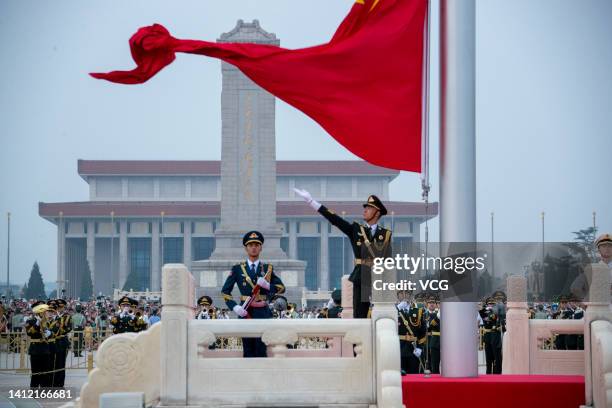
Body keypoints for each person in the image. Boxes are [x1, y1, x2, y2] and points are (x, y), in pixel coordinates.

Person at [294, 188, 392, 318]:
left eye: (369, 208)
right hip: (361, 277)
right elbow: (335, 219)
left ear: (377, 212)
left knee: (382, 315)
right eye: (365, 207)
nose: (365, 210)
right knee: (360, 316)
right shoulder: (356, 230)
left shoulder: (385, 234)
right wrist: (311, 201)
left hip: (377, 278)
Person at [221, 231, 285, 358]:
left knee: (262, 350)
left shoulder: (267, 269)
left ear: (261, 248)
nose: (254, 247)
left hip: (263, 312)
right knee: (248, 350)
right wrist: (235, 307)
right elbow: (225, 292)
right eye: (251, 245)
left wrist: (268, 286)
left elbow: (281, 288)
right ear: (246, 248)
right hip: (246, 311)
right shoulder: (237, 269)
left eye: (257, 245)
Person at [25, 301, 52, 388]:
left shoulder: (46, 321)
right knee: (35, 372)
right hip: (35, 349)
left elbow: (50, 333)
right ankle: (34, 390)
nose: (44, 312)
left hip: (45, 349)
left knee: (46, 372)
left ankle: (45, 390)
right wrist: (37, 324)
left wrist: (49, 333)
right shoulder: (30, 321)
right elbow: (29, 332)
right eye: (42, 310)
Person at [397, 300, 426, 374]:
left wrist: (420, 347)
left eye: (408, 293)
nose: (405, 296)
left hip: (413, 349)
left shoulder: (418, 310)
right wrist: (396, 309)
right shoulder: (394, 310)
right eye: (402, 293)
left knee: (413, 376)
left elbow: (422, 331)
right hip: (399, 348)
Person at [48, 298, 72, 388]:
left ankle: (60, 384)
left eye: (61, 307)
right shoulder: (52, 316)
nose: (59, 309)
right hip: (52, 342)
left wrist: (59, 331)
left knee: (61, 364)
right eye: (58, 307)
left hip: (61, 341)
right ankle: (51, 383)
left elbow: (69, 328)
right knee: (51, 364)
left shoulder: (67, 316)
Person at [425, 295, 440, 374]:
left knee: (436, 363)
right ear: (427, 304)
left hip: (437, 339)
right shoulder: (424, 314)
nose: (431, 304)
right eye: (430, 303)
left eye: (433, 302)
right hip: (427, 339)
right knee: (428, 361)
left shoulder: (439, 314)